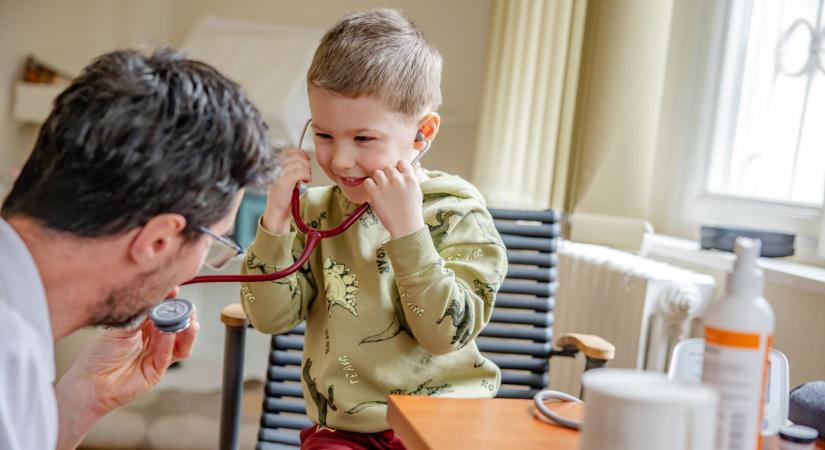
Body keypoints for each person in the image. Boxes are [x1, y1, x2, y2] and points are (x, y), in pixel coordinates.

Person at [240, 9, 508, 449]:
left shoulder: (458, 213)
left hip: (444, 423)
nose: (340, 160)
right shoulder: (315, 211)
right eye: (324, 135)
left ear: (422, 134)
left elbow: (444, 335)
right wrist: (276, 220)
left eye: (363, 139)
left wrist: (408, 231)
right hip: (345, 433)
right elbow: (267, 317)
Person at [0, 48, 278, 450]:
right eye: (214, 242)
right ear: (158, 241)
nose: (197, 267)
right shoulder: (10, 357)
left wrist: (80, 400)